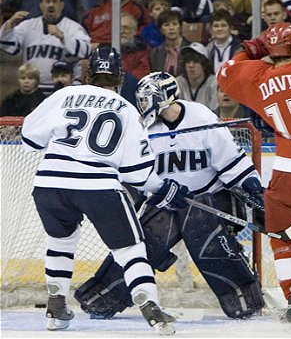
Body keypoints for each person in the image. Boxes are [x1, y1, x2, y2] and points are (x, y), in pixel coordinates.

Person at [21, 47, 193, 335]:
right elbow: (136, 174)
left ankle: (56, 305)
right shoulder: (126, 109)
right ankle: (151, 307)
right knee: (131, 248)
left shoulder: (63, 95)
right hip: (97, 185)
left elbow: (29, 137)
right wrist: (165, 188)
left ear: (88, 73)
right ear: (120, 76)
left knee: (60, 242)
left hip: (49, 184)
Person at [73, 71, 265, 321]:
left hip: (211, 200)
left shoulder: (200, 116)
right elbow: (138, 173)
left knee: (203, 233)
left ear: (162, 96)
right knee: (145, 241)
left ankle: (243, 299)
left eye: (146, 98)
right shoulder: (144, 129)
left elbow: (231, 161)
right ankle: (104, 296)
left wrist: (254, 188)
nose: (141, 105)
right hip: (167, 200)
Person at [217, 22, 291, 322]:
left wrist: (250, 50)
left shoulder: (256, 77)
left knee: (284, 239)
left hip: (286, 172)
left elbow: (226, 72)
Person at [0, 0, 91, 96]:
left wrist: (63, 37)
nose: (51, 5)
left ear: (62, 4)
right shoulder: (28, 25)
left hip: (61, 91)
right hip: (33, 91)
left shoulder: (73, 28)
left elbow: (86, 51)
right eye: (47, 1)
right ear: (41, 4)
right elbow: (7, 45)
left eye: (55, 1)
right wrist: (9, 25)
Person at [83, 0, 149, 49]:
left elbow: (141, 41)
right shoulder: (94, 11)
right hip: (93, 55)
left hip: (123, 54)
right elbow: (81, 38)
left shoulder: (139, 11)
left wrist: (103, 46)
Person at [176, 42, 217, 111]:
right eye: (188, 61)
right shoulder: (178, 82)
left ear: (204, 65)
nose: (191, 65)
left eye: (196, 61)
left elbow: (215, 112)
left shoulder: (214, 82)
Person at [150, 10, 190, 76]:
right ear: (161, 30)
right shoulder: (155, 52)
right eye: (166, 25)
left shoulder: (190, 49)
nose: (171, 28)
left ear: (180, 28)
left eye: (174, 24)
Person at [205, 9, 241, 74]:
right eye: (216, 26)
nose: (220, 29)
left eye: (223, 25)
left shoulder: (240, 48)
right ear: (210, 30)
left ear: (230, 28)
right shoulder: (207, 50)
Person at [120, 12, 150, 80]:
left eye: (126, 28)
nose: (121, 31)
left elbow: (142, 72)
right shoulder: (107, 50)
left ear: (134, 31)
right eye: (119, 28)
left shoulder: (143, 51)